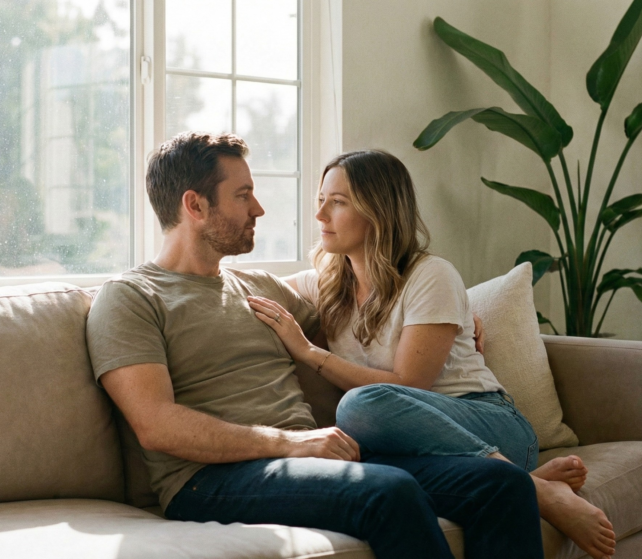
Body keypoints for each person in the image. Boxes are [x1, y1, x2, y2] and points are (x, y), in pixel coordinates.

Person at [88, 132, 545, 558]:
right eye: (243, 195)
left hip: (314, 456)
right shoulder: (131, 297)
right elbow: (157, 426)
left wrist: (462, 315)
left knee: (500, 483)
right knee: (388, 491)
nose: (259, 209)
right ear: (195, 205)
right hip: (206, 479)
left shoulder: (260, 287)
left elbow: (364, 311)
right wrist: (291, 443)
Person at [247, 150, 615, 559]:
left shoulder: (430, 275)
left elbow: (409, 385)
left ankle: (530, 485)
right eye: (320, 200)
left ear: (380, 211)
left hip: (488, 420)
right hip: (413, 447)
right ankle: (522, 482)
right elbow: (244, 286)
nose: (320, 216)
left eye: (338, 202)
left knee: (360, 406)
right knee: (355, 458)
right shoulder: (327, 285)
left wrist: (309, 352)